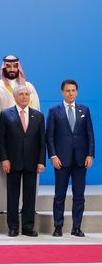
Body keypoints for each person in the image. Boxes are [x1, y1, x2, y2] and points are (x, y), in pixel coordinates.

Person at [0, 55, 40, 214]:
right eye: (8, 66)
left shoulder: (28, 87)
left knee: (28, 179)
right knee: (1, 177)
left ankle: (26, 208)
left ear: (18, 68)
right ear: (4, 68)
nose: (12, 69)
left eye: (15, 66)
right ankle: (0, 207)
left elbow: (35, 114)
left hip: (27, 143)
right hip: (4, 142)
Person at [46, 80, 95, 237]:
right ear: (62, 92)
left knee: (79, 196)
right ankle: (58, 227)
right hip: (61, 160)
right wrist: (53, 155)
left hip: (81, 160)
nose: (71, 93)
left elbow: (90, 135)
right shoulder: (54, 111)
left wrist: (90, 154)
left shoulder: (84, 110)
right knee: (59, 196)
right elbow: (50, 137)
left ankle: (76, 228)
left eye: (73, 90)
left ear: (77, 92)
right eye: (68, 90)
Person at [0, 85, 46, 237]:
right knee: (12, 196)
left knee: (29, 196)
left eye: (27, 94)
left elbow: (41, 142)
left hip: (32, 162)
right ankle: (13, 227)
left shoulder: (38, 116)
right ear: (15, 96)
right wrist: (4, 159)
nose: (24, 96)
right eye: (21, 94)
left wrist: (41, 161)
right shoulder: (6, 114)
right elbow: (2, 140)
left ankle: (27, 227)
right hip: (12, 162)